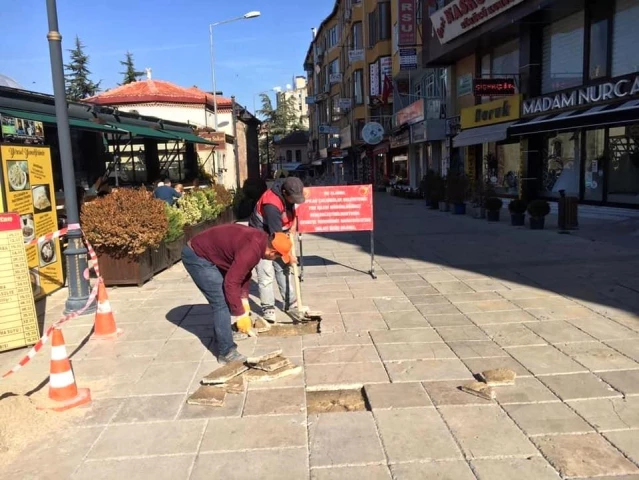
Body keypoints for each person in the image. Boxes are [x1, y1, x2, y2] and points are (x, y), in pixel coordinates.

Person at [181, 224, 293, 364]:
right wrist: (240, 315)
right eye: (278, 257)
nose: (276, 259)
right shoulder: (252, 250)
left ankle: (223, 334)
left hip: (210, 253)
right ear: (272, 252)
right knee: (221, 302)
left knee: (229, 297)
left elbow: (244, 274)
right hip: (197, 256)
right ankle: (226, 353)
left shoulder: (260, 241)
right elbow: (231, 283)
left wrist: (244, 301)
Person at [248, 176, 305, 322]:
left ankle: (289, 302)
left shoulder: (291, 194)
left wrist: (293, 226)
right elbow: (277, 239)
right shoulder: (271, 204)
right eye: (293, 198)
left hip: (279, 232)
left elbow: (293, 212)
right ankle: (268, 308)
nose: (295, 200)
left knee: (283, 269)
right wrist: (288, 255)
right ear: (284, 193)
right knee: (266, 273)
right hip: (261, 236)